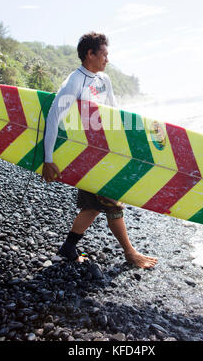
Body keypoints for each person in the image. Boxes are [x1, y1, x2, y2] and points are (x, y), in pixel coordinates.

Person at [42, 32, 158, 269]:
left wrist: (131, 143)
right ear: (90, 54)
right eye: (103, 54)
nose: (107, 58)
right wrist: (48, 159)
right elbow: (54, 119)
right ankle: (130, 252)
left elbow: (113, 113)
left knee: (93, 205)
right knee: (113, 202)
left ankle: (68, 247)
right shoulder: (74, 81)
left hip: (105, 152)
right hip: (86, 154)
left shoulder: (104, 80)